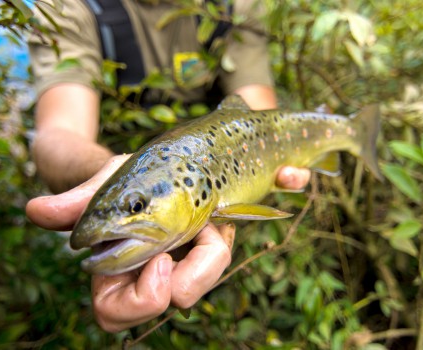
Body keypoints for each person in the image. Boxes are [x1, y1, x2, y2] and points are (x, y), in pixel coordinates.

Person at [26, 0, 310, 332]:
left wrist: (286, 151)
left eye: (135, 206)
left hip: (219, 198)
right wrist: (107, 171)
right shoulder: (66, 8)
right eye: (136, 206)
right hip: (140, 166)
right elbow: (58, 132)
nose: (134, 209)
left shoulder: (236, 5)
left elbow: (258, 111)